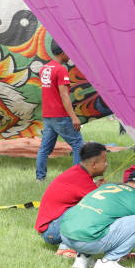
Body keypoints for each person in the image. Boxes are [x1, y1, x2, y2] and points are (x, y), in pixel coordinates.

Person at [35, 142, 108, 257]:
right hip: (51, 231)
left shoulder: (78, 172)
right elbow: (104, 204)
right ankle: (66, 248)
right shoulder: (82, 180)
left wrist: (95, 186)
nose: (107, 164)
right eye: (104, 161)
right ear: (94, 164)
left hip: (50, 226)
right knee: (91, 209)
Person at [35, 43, 83, 181]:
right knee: (78, 145)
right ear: (63, 53)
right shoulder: (61, 70)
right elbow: (64, 96)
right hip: (60, 116)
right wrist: (73, 117)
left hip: (48, 116)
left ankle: (40, 178)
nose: (70, 55)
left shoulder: (44, 69)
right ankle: (78, 179)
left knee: (45, 149)